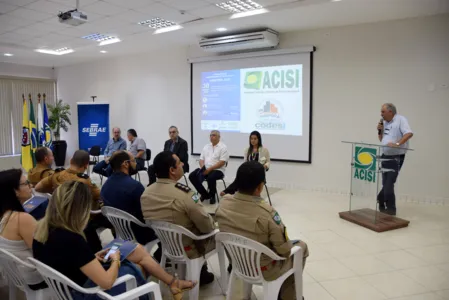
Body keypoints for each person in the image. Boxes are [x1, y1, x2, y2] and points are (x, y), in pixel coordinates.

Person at [33, 181, 196, 300]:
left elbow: (67, 260)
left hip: (69, 287)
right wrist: (116, 260)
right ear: (79, 210)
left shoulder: (42, 229)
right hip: (85, 293)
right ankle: (167, 285)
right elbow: (106, 282)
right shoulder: (72, 239)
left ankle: (174, 283)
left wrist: (92, 257)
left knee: (136, 249)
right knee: (137, 267)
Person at [216, 161, 309, 300]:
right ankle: (288, 296)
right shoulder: (267, 213)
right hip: (264, 270)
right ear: (260, 187)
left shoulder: (223, 203)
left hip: (238, 263)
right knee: (301, 247)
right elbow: (284, 251)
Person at [141, 151, 215, 285]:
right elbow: (207, 227)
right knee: (216, 232)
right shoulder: (186, 194)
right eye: (179, 162)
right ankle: (201, 273)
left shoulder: (146, 193)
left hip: (166, 244)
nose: (182, 164)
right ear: (172, 170)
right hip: (189, 248)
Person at [35, 150, 106, 252]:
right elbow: (101, 196)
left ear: (71, 160)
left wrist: (57, 194)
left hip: (58, 216)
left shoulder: (57, 175)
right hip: (80, 220)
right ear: (86, 165)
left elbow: (37, 187)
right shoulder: (84, 181)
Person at [101, 150, 162, 261]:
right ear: (125, 164)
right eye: (134, 161)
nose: (136, 164)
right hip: (139, 233)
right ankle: (160, 257)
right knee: (165, 226)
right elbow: (144, 215)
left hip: (120, 231)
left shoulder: (106, 185)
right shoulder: (135, 186)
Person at [0, 169, 46, 290]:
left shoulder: (5, 214)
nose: (31, 186)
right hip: (37, 277)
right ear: (15, 191)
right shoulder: (22, 219)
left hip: (18, 274)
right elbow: (44, 252)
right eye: (26, 183)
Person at [377, 103, 413, 216]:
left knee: (389, 182)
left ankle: (391, 210)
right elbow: (382, 139)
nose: (381, 114)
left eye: (383, 112)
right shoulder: (385, 123)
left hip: (396, 156)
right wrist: (379, 131)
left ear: (390, 112)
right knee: (385, 182)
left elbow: (409, 133)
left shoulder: (400, 120)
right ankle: (381, 200)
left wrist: (398, 143)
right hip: (385, 155)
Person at [220, 131, 270, 196]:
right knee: (239, 177)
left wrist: (265, 166)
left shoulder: (264, 150)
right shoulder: (247, 150)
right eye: (251, 139)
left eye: (255, 139)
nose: (253, 140)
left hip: (259, 174)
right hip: (248, 173)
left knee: (246, 180)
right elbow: (245, 162)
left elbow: (268, 161)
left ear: (259, 139)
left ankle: (230, 192)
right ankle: (228, 191)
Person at [188, 130, 229, 204]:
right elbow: (201, 159)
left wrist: (210, 169)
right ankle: (205, 194)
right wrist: (203, 168)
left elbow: (222, 162)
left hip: (218, 170)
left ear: (219, 137)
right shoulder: (206, 146)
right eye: (210, 135)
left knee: (211, 176)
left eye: (214, 135)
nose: (211, 137)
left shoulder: (223, 147)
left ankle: (212, 195)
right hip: (206, 168)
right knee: (192, 175)